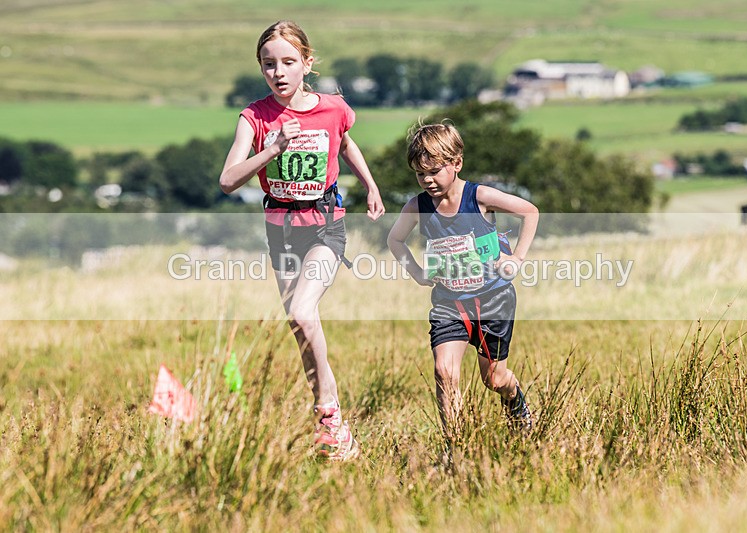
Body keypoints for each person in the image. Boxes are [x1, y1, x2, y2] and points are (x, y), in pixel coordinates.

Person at [220, 20, 384, 461]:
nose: (279, 72)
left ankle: (329, 414)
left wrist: (370, 185)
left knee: (301, 311)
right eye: (269, 64)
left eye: (289, 62)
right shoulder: (254, 117)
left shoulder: (333, 108)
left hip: (325, 224)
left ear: (307, 64)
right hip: (281, 229)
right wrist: (271, 149)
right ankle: (331, 427)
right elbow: (227, 180)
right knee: (301, 327)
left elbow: (344, 143)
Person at [386, 122, 539, 440]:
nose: (427, 180)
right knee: (444, 370)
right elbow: (395, 240)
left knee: (495, 379)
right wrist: (417, 272)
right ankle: (456, 447)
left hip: (493, 299)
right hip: (449, 302)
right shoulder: (417, 206)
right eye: (420, 174)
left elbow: (530, 212)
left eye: (434, 171)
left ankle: (517, 406)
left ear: (456, 163)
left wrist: (516, 259)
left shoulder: (479, 196)